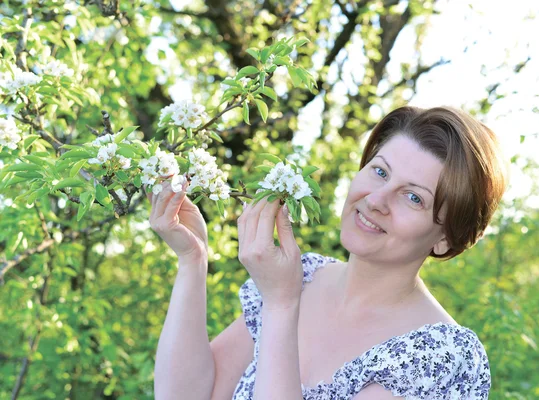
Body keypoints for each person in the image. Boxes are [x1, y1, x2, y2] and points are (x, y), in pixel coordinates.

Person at [149, 105, 508, 400]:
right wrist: (192, 260)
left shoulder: (441, 356)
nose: (377, 200)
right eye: (380, 171)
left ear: (446, 238)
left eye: (414, 197)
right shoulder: (304, 276)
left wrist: (281, 305)